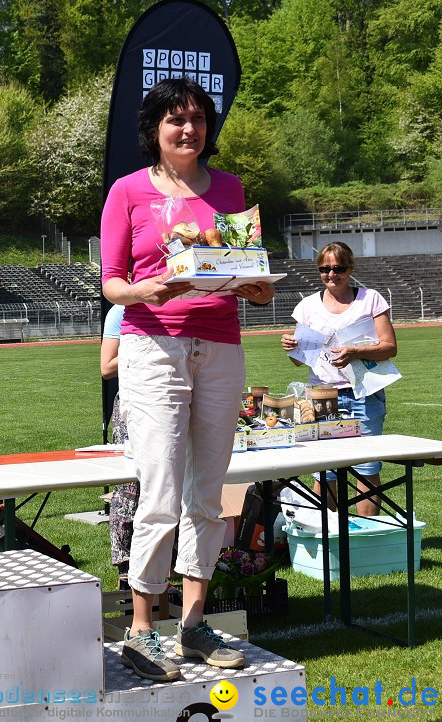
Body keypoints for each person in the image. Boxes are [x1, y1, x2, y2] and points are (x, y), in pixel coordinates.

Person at [100, 77, 275, 681]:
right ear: (155, 130)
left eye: (198, 118)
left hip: (221, 346)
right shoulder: (127, 191)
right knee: (161, 487)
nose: (189, 129)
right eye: (176, 120)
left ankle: (195, 625)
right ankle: (143, 629)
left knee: (209, 491)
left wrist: (256, 284)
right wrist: (150, 289)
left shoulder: (229, 190)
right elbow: (113, 284)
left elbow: (244, 269)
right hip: (153, 347)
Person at [280, 242, 397, 517]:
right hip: (321, 396)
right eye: (325, 269)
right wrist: (290, 347)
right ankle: (327, 536)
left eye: (338, 268)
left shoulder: (370, 299)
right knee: (326, 472)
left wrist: (355, 352)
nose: (331, 274)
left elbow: (389, 347)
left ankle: (364, 539)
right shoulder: (307, 306)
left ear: (350, 268)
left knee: (366, 469)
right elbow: (299, 359)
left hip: (363, 393)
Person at [101, 304, 136, 589]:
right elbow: (106, 367)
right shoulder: (120, 312)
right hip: (132, 406)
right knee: (129, 490)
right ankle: (125, 571)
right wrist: (141, 345)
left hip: (172, 400)